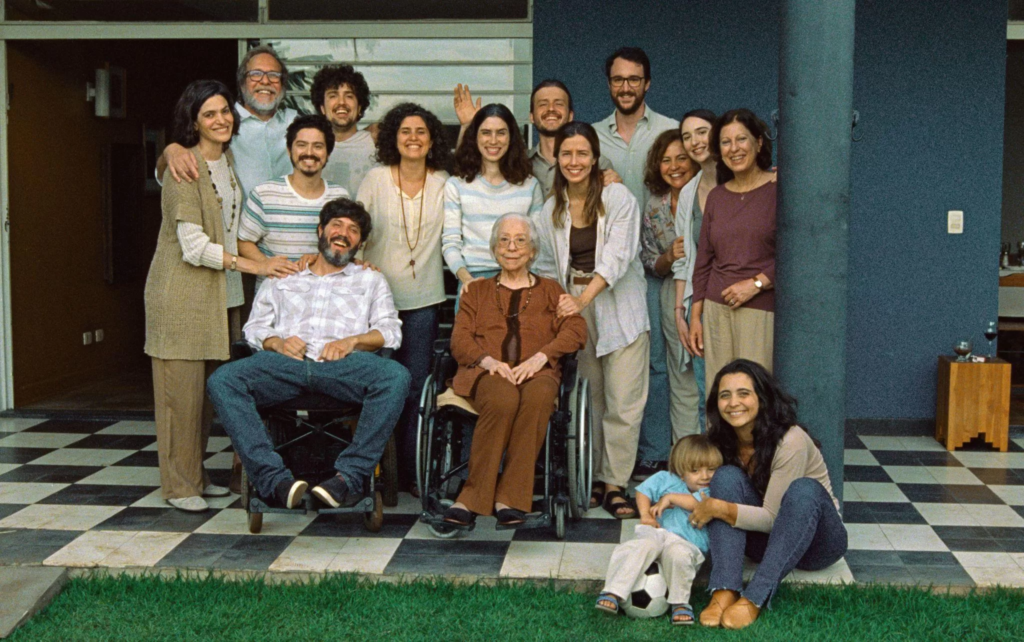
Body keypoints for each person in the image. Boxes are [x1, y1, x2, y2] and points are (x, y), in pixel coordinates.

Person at [206, 198, 410, 510]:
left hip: (342, 369)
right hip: (285, 367)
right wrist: (276, 342)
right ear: (320, 231)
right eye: (337, 225)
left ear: (360, 242)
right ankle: (275, 481)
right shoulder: (285, 275)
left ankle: (348, 478)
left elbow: (390, 331)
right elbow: (255, 327)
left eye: (353, 230)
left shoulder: (370, 279)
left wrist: (352, 342)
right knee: (222, 380)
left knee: (396, 376)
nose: (343, 233)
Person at [144, 80, 280, 513]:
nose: (221, 119)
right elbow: (194, 246)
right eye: (209, 114)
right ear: (193, 121)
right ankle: (179, 485)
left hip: (219, 296)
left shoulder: (227, 160)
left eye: (225, 111)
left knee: (204, 398)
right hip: (181, 296)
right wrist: (256, 266)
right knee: (178, 398)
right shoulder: (185, 166)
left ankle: (197, 476)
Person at [440, 213, 587, 528]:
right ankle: (472, 496)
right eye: (504, 240)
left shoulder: (550, 290)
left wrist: (542, 357)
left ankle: (510, 498)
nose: (512, 247)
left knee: (539, 396)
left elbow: (575, 330)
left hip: (539, 374)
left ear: (533, 251)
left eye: (521, 240)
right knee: (504, 398)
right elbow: (459, 339)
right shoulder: (476, 291)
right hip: (487, 374)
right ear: (494, 250)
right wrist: (489, 361)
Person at [534, 122, 649, 520]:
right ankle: (594, 478)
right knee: (591, 399)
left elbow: (619, 255)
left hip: (619, 307)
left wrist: (582, 298)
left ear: (595, 157)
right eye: (567, 154)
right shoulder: (550, 210)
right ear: (556, 158)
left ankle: (616, 482)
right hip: (576, 310)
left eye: (582, 153)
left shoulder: (618, 198)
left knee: (624, 401)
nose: (574, 161)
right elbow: (547, 266)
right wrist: (560, 306)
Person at [690, 359, 846, 630]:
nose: (733, 402)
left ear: (762, 398)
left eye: (744, 393)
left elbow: (773, 518)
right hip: (765, 542)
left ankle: (755, 597)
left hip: (816, 543)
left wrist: (718, 508)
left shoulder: (790, 439)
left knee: (804, 489)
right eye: (725, 395)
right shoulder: (721, 441)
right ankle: (724, 589)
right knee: (726, 476)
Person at [357, 103, 453, 495]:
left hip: (423, 303)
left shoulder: (445, 182)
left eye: (421, 132)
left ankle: (411, 471)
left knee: (415, 387)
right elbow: (356, 231)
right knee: (376, 386)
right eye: (405, 131)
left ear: (431, 141)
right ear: (393, 139)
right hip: (376, 304)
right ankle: (375, 472)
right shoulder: (376, 179)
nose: (413, 138)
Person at [689, 109, 777, 391]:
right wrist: (695, 315)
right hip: (715, 310)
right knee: (719, 394)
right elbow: (703, 259)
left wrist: (756, 284)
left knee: (754, 394)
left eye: (742, 139)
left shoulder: (779, 190)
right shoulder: (717, 196)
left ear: (758, 143)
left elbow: (797, 254)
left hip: (759, 309)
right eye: (726, 142)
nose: (734, 148)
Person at [596, 434, 723, 625]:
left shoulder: (713, 490)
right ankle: (614, 591)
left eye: (711, 469)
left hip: (687, 543)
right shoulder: (666, 478)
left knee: (679, 555)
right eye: (695, 470)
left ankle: (680, 603)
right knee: (642, 545)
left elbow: (698, 504)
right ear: (681, 472)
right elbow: (643, 491)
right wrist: (646, 515)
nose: (705, 476)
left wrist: (670, 498)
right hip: (659, 534)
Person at [634, 129, 700, 480]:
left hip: (698, 292)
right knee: (662, 370)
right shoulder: (655, 205)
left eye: (681, 158)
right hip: (663, 292)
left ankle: (694, 455)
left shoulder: (706, 196)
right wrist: (667, 256)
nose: (674, 166)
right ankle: (666, 453)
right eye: (666, 160)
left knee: (691, 373)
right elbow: (648, 259)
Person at [159, 45, 297, 197]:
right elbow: (167, 175)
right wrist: (170, 151)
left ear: (282, 84)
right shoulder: (222, 124)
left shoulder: (297, 124)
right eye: (256, 74)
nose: (265, 81)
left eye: (273, 75)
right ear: (242, 82)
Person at [237, 114, 351, 289]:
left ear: (328, 153)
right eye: (301, 145)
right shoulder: (264, 194)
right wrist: (265, 264)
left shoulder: (340, 197)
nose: (309, 153)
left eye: (318, 146)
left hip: (324, 299)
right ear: (289, 150)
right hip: (273, 300)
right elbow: (243, 241)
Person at [442, 103, 544, 296]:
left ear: (511, 137)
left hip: (521, 281)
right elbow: (450, 243)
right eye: (486, 132)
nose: (493, 140)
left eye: (501, 133)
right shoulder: (456, 185)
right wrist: (467, 279)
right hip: (475, 280)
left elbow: (537, 244)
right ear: (475, 137)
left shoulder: (530, 186)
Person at [453, 80, 619, 198]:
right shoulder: (518, 162)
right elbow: (468, 170)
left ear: (571, 116)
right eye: (543, 104)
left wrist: (614, 182)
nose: (551, 109)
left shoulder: (598, 164)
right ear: (531, 116)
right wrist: (468, 126)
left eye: (559, 103)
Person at [673, 109, 718, 433]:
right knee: (709, 393)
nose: (694, 142)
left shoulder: (744, 180)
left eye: (701, 132)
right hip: (700, 304)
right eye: (687, 136)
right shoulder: (688, 192)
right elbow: (684, 259)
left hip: (743, 299)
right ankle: (718, 477)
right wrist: (681, 311)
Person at [595, 47, 679, 211]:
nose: (625, 88)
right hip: (611, 236)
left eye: (634, 79)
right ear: (609, 84)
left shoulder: (671, 130)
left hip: (665, 236)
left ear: (647, 83)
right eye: (618, 79)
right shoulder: (592, 137)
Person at [312, 64, 379, 196]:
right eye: (333, 95)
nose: (341, 102)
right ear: (322, 108)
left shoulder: (377, 141)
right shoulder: (309, 147)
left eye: (349, 96)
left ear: (359, 107)